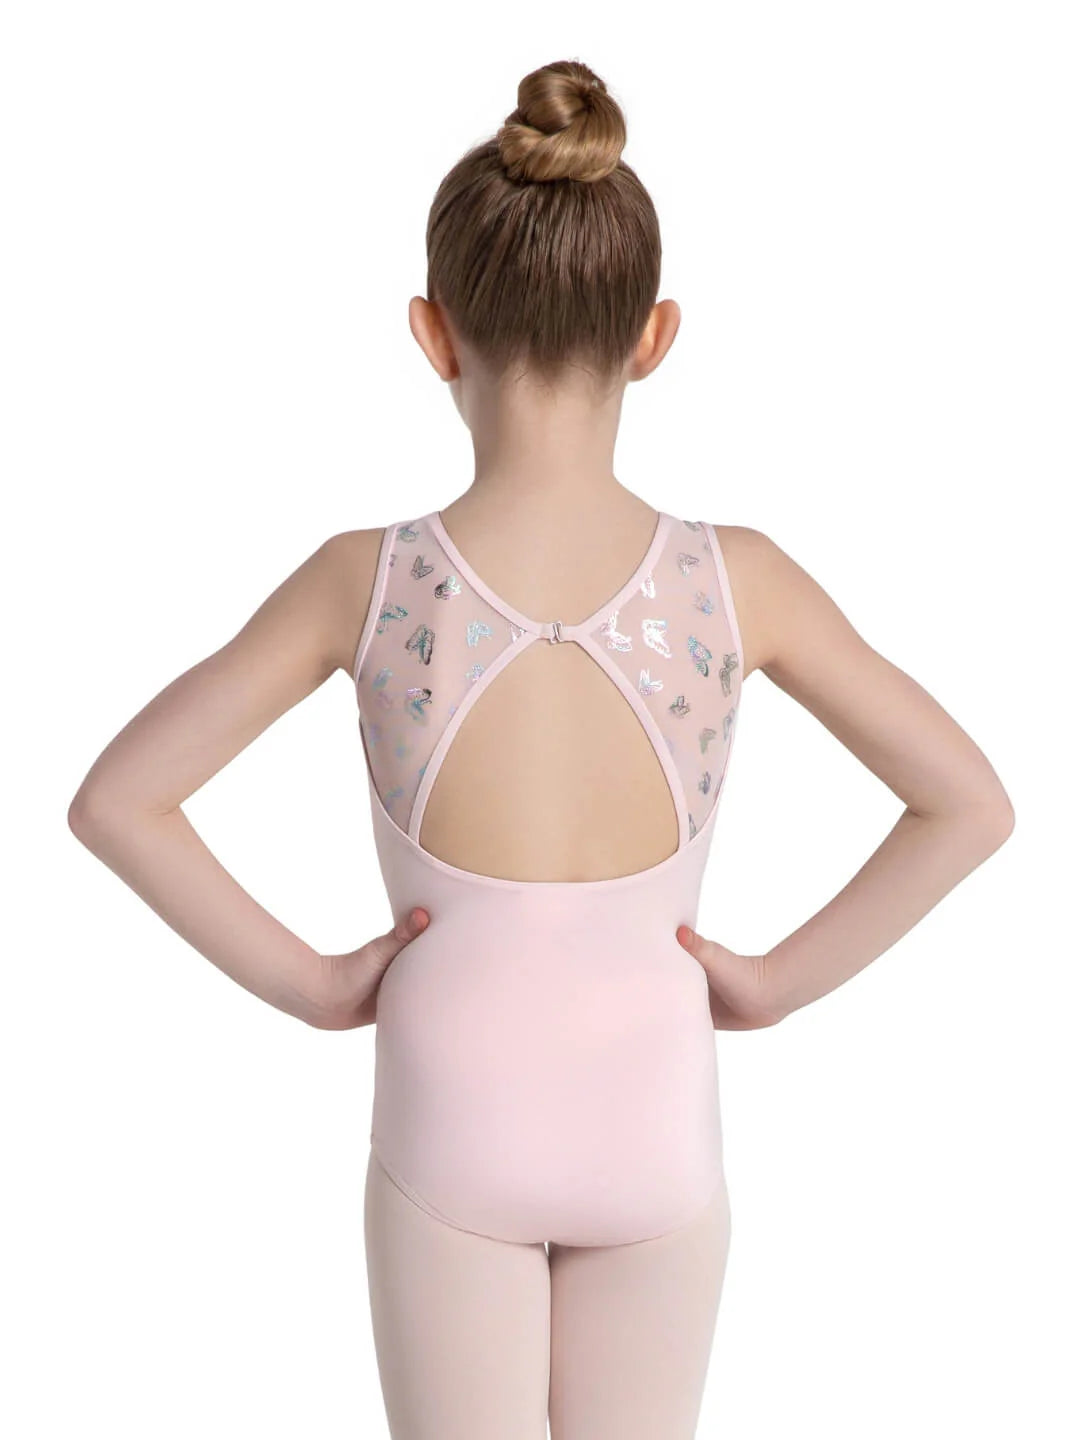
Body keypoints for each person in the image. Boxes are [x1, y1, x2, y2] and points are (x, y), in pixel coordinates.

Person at [68, 57, 1014, 1440]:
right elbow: (969, 804)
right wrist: (771, 986)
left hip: (454, 1120)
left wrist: (317, 987)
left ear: (433, 334)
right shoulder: (737, 582)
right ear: (655, 336)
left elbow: (118, 800)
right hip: (655, 1115)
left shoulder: (368, 581)